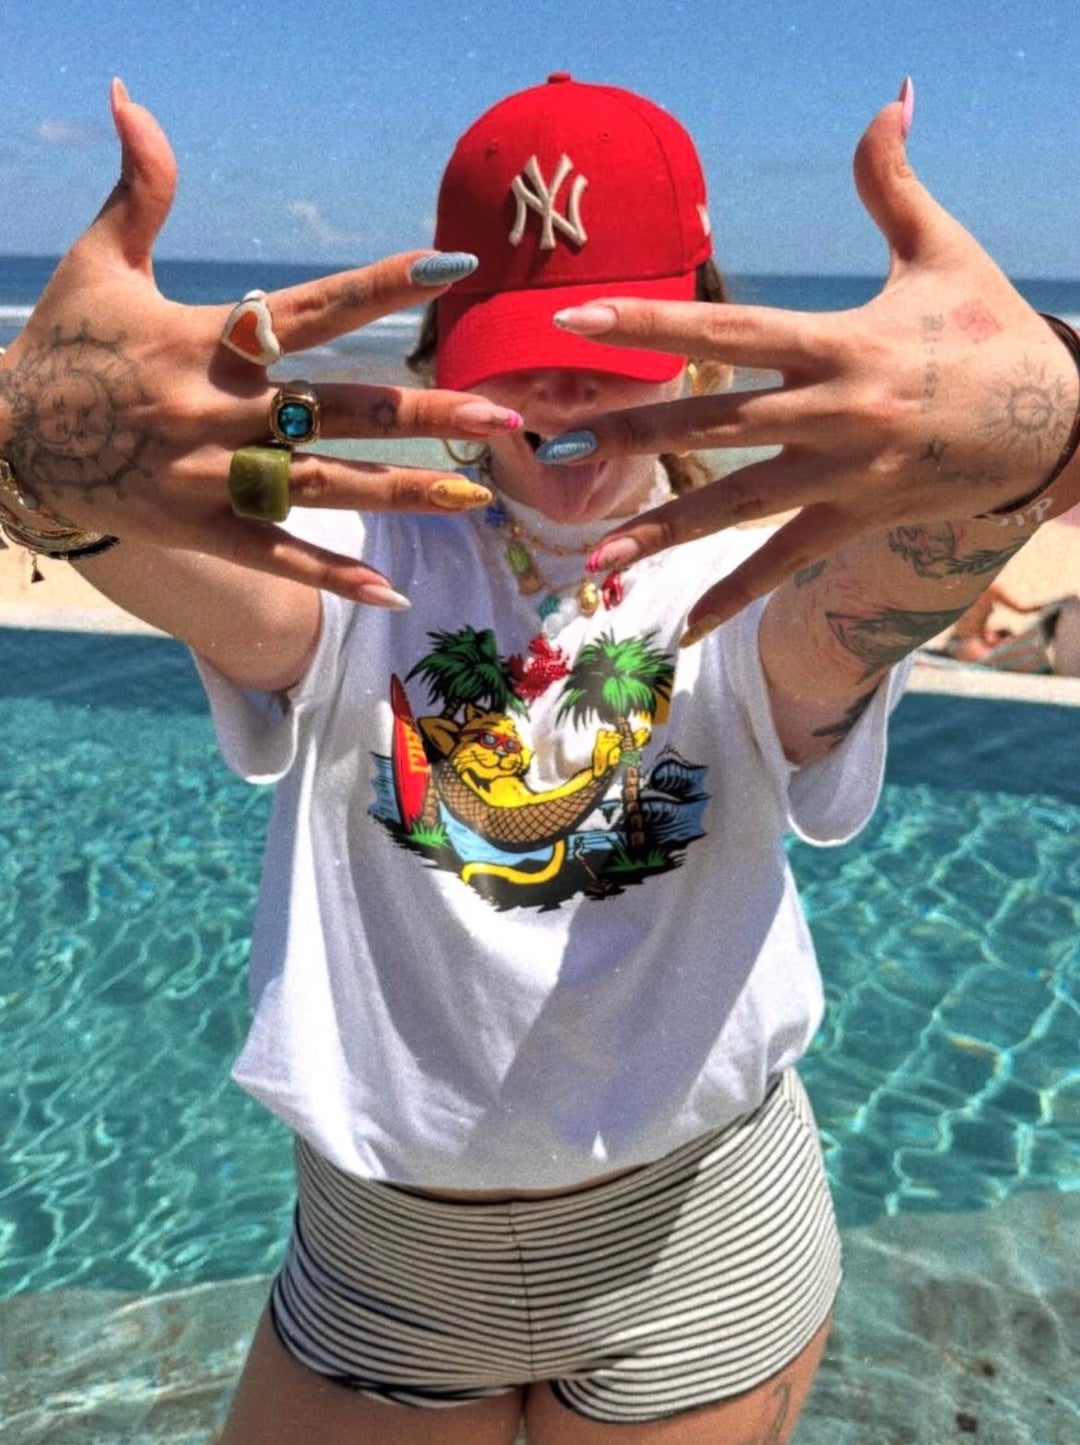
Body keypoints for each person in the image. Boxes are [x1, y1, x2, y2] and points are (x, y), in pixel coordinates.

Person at [2, 75, 1078, 1445]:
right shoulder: (347, 557)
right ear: (436, 360)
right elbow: (140, 542)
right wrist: (47, 451)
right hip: (384, 1255)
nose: (564, 388)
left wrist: (1027, 430)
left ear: (700, 350)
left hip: (697, 1237)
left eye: (610, 340)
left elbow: (843, 637)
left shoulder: (760, 576)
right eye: (517, 345)